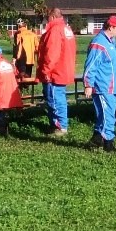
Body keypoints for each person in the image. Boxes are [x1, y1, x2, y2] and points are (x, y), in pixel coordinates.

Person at [83, 15, 116, 152]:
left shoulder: (111, 42)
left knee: (105, 114)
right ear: (111, 27)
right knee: (108, 115)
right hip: (104, 86)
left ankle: (96, 139)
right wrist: (88, 84)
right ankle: (108, 143)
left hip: (113, 86)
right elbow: (91, 65)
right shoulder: (99, 43)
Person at [36, 7, 76, 135]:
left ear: (52, 17)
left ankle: (60, 126)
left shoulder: (54, 30)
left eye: (48, 17)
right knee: (60, 98)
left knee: (54, 100)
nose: (47, 20)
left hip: (54, 72)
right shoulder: (67, 29)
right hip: (64, 69)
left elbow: (51, 54)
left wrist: (46, 71)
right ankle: (58, 125)